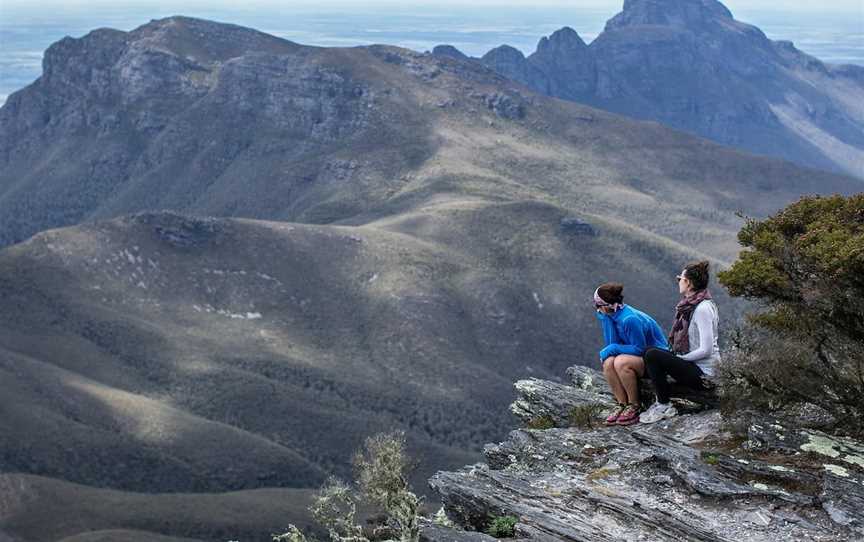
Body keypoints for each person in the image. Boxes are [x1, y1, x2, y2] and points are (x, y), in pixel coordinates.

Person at [639, 261, 720, 424]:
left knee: (653, 355)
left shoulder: (702, 309)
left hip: (705, 374)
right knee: (648, 351)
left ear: (688, 283)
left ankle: (663, 404)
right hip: (695, 365)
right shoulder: (691, 306)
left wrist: (682, 359)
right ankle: (659, 400)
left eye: (680, 278)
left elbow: (707, 349)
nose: (678, 281)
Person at [594, 282, 669, 426]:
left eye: (597, 305)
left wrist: (612, 349)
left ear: (605, 306)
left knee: (620, 362)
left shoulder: (629, 319)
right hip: (639, 357)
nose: (596, 309)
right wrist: (606, 319)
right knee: (609, 362)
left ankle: (634, 405)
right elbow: (612, 343)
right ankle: (622, 404)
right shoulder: (612, 315)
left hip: (655, 361)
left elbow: (640, 349)